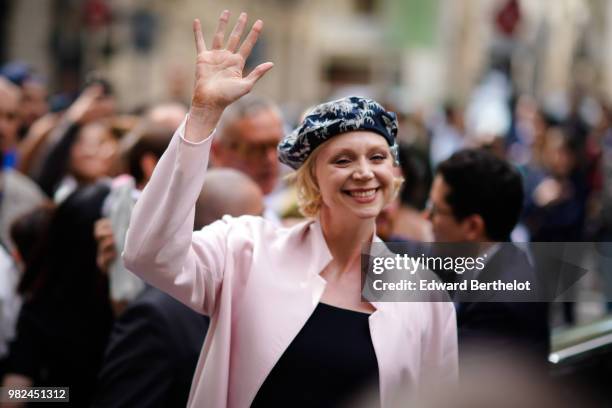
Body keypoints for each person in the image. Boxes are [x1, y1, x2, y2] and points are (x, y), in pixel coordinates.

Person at [123, 11, 457, 408]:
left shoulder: (423, 294)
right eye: (343, 160)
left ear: (393, 171)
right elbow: (148, 255)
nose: (364, 173)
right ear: (312, 178)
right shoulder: (246, 249)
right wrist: (203, 115)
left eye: (377, 157)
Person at [93, 169, 262, 408]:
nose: (270, 233)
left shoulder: (255, 294)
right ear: (219, 233)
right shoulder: (155, 315)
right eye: (259, 222)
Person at [426, 149, 549, 361]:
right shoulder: (499, 255)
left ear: (472, 226)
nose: (426, 216)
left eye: (436, 210)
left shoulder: (499, 307)